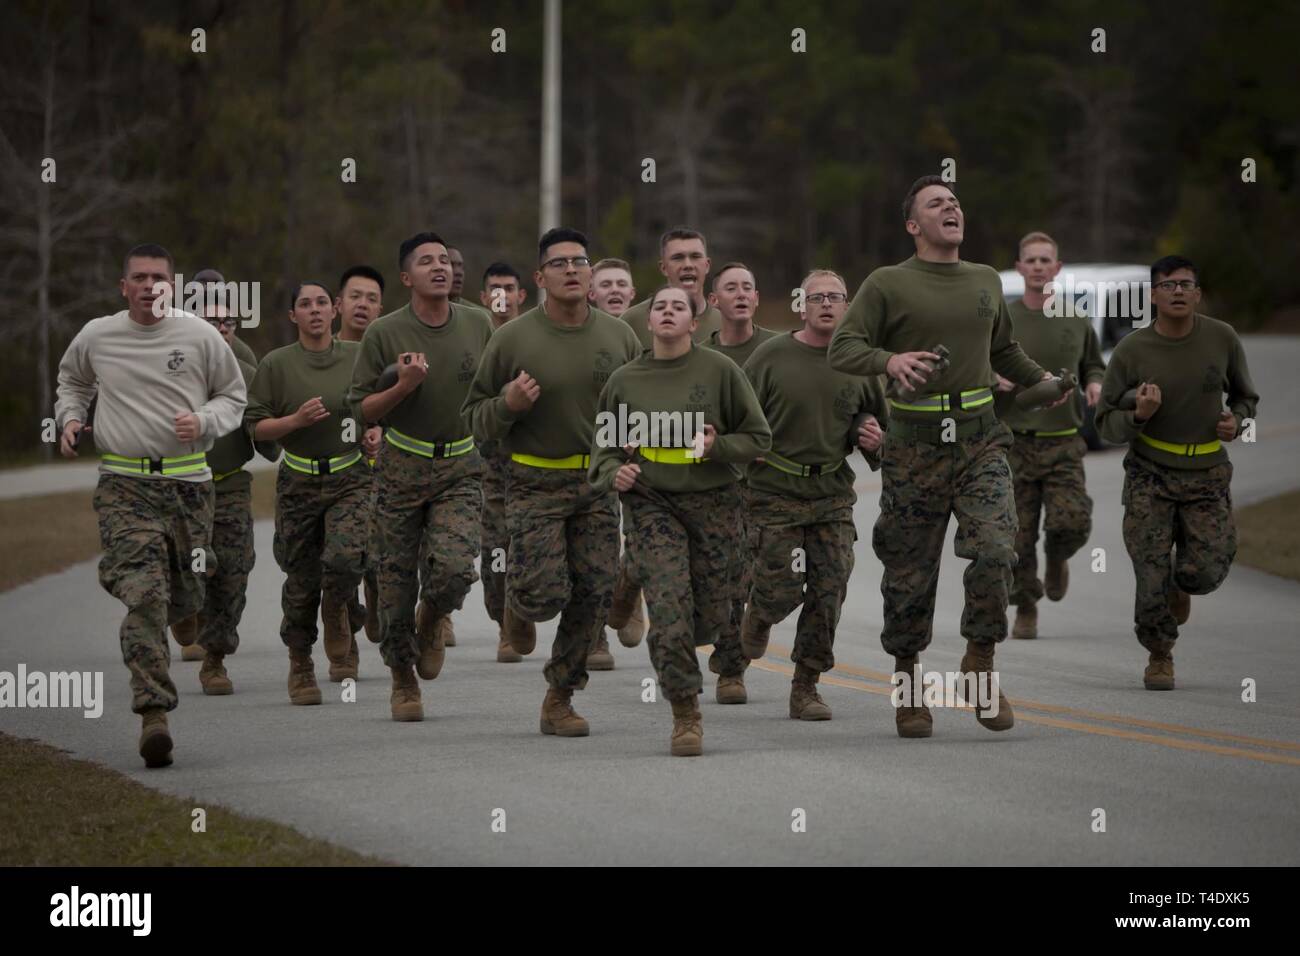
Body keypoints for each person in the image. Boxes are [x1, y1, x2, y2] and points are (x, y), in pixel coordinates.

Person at [829, 175, 1064, 738]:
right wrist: (889, 362)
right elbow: (844, 347)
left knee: (994, 548)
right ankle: (908, 685)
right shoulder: (887, 283)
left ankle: (979, 663)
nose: (951, 206)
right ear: (914, 225)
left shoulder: (985, 280)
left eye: (955, 200)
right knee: (909, 576)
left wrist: (1047, 382)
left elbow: (1002, 348)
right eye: (936, 203)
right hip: (913, 445)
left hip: (981, 438)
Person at [54, 243, 246, 767]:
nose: (148, 286)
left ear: (172, 284)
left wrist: (204, 421)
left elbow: (233, 396)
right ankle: (153, 714)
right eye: (137, 277)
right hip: (124, 486)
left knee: (183, 595)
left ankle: (184, 613)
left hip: (189, 487)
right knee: (145, 597)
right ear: (124, 287)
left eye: (157, 277)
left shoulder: (200, 336)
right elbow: (71, 381)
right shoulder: (99, 335)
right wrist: (70, 418)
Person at [463, 227, 640, 737]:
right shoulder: (512, 339)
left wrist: (636, 442)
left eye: (579, 261)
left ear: (590, 273)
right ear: (539, 278)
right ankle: (520, 605)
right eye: (559, 263)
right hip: (533, 481)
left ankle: (559, 698)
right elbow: (473, 417)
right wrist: (508, 405)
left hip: (597, 482)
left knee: (594, 591)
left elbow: (637, 404)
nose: (571, 269)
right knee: (545, 591)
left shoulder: (618, 336)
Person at [589, 286, 770, 755]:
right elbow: (603, 449)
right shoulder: (625, 380)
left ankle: (627, 580)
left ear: (694, 323)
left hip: (714, 503)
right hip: (652, 502)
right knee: (670, 614)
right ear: (648, 323)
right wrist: (615, 471)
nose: (668, 312)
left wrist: (718, 447)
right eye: (659, 307)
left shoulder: (721, 371)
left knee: (711, 619)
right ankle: (685, 712)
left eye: (679, 308)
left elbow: (757, 437)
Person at [1095, 255, 1258, 690]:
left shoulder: (1222, 338)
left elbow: (1245, 396)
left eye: (1187, 284)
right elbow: (1105, 420)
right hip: (1151, 474)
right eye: (1169, 285)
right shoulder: (1132, 350)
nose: (1179, 292)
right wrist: (1140, 415)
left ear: (1198, 293)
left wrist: (1236, 421)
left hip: (1207, 472)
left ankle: (1180, 585)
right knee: (1150, 574)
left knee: (1204, 571)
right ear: (1152, 295)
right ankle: (1159, 654)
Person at [349, 233, 493, 721]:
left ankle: (432, 617)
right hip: (400, 466)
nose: (440, 267)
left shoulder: (478, 323)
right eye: (425, 262)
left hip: (461, 465)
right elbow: (361, 409)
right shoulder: (384, 333)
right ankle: (402, 679)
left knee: (454, 568)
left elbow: (495, 388)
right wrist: (403, 387)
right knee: (392, 583)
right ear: (406, 277)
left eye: (444, 260)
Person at [741, 270, 886, 720]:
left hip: (831, 494)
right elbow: (734, 418)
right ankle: (761, 615)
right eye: (817, 296)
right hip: (773, 492)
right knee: (779, 587)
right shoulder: (769, 358)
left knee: (830, 586)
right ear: (801, 305)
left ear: (847, 307)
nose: (826, 304)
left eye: (836, 297)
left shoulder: (859, 363)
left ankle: (805, 685)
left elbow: (883, 428)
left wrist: (874, 438)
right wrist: (746, 452)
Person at [246, 282, 378, 701]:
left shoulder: (359, 357)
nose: (315, 310)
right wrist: (295, 422)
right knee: (302, 580)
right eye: (305, 304)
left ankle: (339, 614)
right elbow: (256, 427)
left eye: (322, 303)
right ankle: (300, 663)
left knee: (346, 558)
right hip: (299, 480)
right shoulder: (276, 364)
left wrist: (375, 433)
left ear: (335, 310)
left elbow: (380, 407)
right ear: (293, 316)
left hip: (351, 475)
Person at [993, 233, 1106, 640]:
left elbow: (1093, 363)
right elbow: (979, 366)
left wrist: (1095, 383)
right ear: (1020, 268)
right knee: (1018, 536)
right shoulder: (1003, 319)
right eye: (1031, 260)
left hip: (1063, 441)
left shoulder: (1075, 318)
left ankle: (1058, 557)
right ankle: (1025, 606)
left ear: (1057, 269)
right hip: (1014, 442)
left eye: (1046, 260)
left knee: (1071, 521)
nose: (1038, 266)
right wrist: (995, 379)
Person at [177, 305, 280, 693]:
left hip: (231, 485)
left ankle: (214, 659)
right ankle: (183, 606)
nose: (221, 329)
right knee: (195, 561)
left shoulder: (249, 376)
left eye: (228, 323)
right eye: (210, 323)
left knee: (234, 570)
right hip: (181, 484)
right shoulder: (171, 371)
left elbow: (267, 440)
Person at [476, 262, 530, 662]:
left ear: (521, 296)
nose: (502, 295)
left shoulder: (535, 338)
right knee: (497, 550)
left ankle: (527, 608)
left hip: (538, 463)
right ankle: (505, 623)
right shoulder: (474, 340)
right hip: (490, 466)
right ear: (483, 297)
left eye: (509, 287)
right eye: (494, 288)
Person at [334, 265, 386, 645]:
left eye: (371, 299)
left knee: (383, 561)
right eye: (355, 297)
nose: (362, 305)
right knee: (342, 560)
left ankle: (378, 602)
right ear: (338, 305)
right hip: (335, 478)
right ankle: (344, 635)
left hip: (385, 474)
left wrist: (383, 430)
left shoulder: (391, 356)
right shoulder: (322, 351)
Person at [619, 227, 723, 349]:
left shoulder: (724, 323)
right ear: (663, 267)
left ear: (707, 265)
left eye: (695, 256)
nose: (688, 265)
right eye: (678, 258)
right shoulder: (632, 321)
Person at [703, 262, 778, 367]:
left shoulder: (777, 347)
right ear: (714, 300)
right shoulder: (701, 356)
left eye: (747, 288)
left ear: (756, 298)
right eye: (731, 289)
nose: (741, 295)